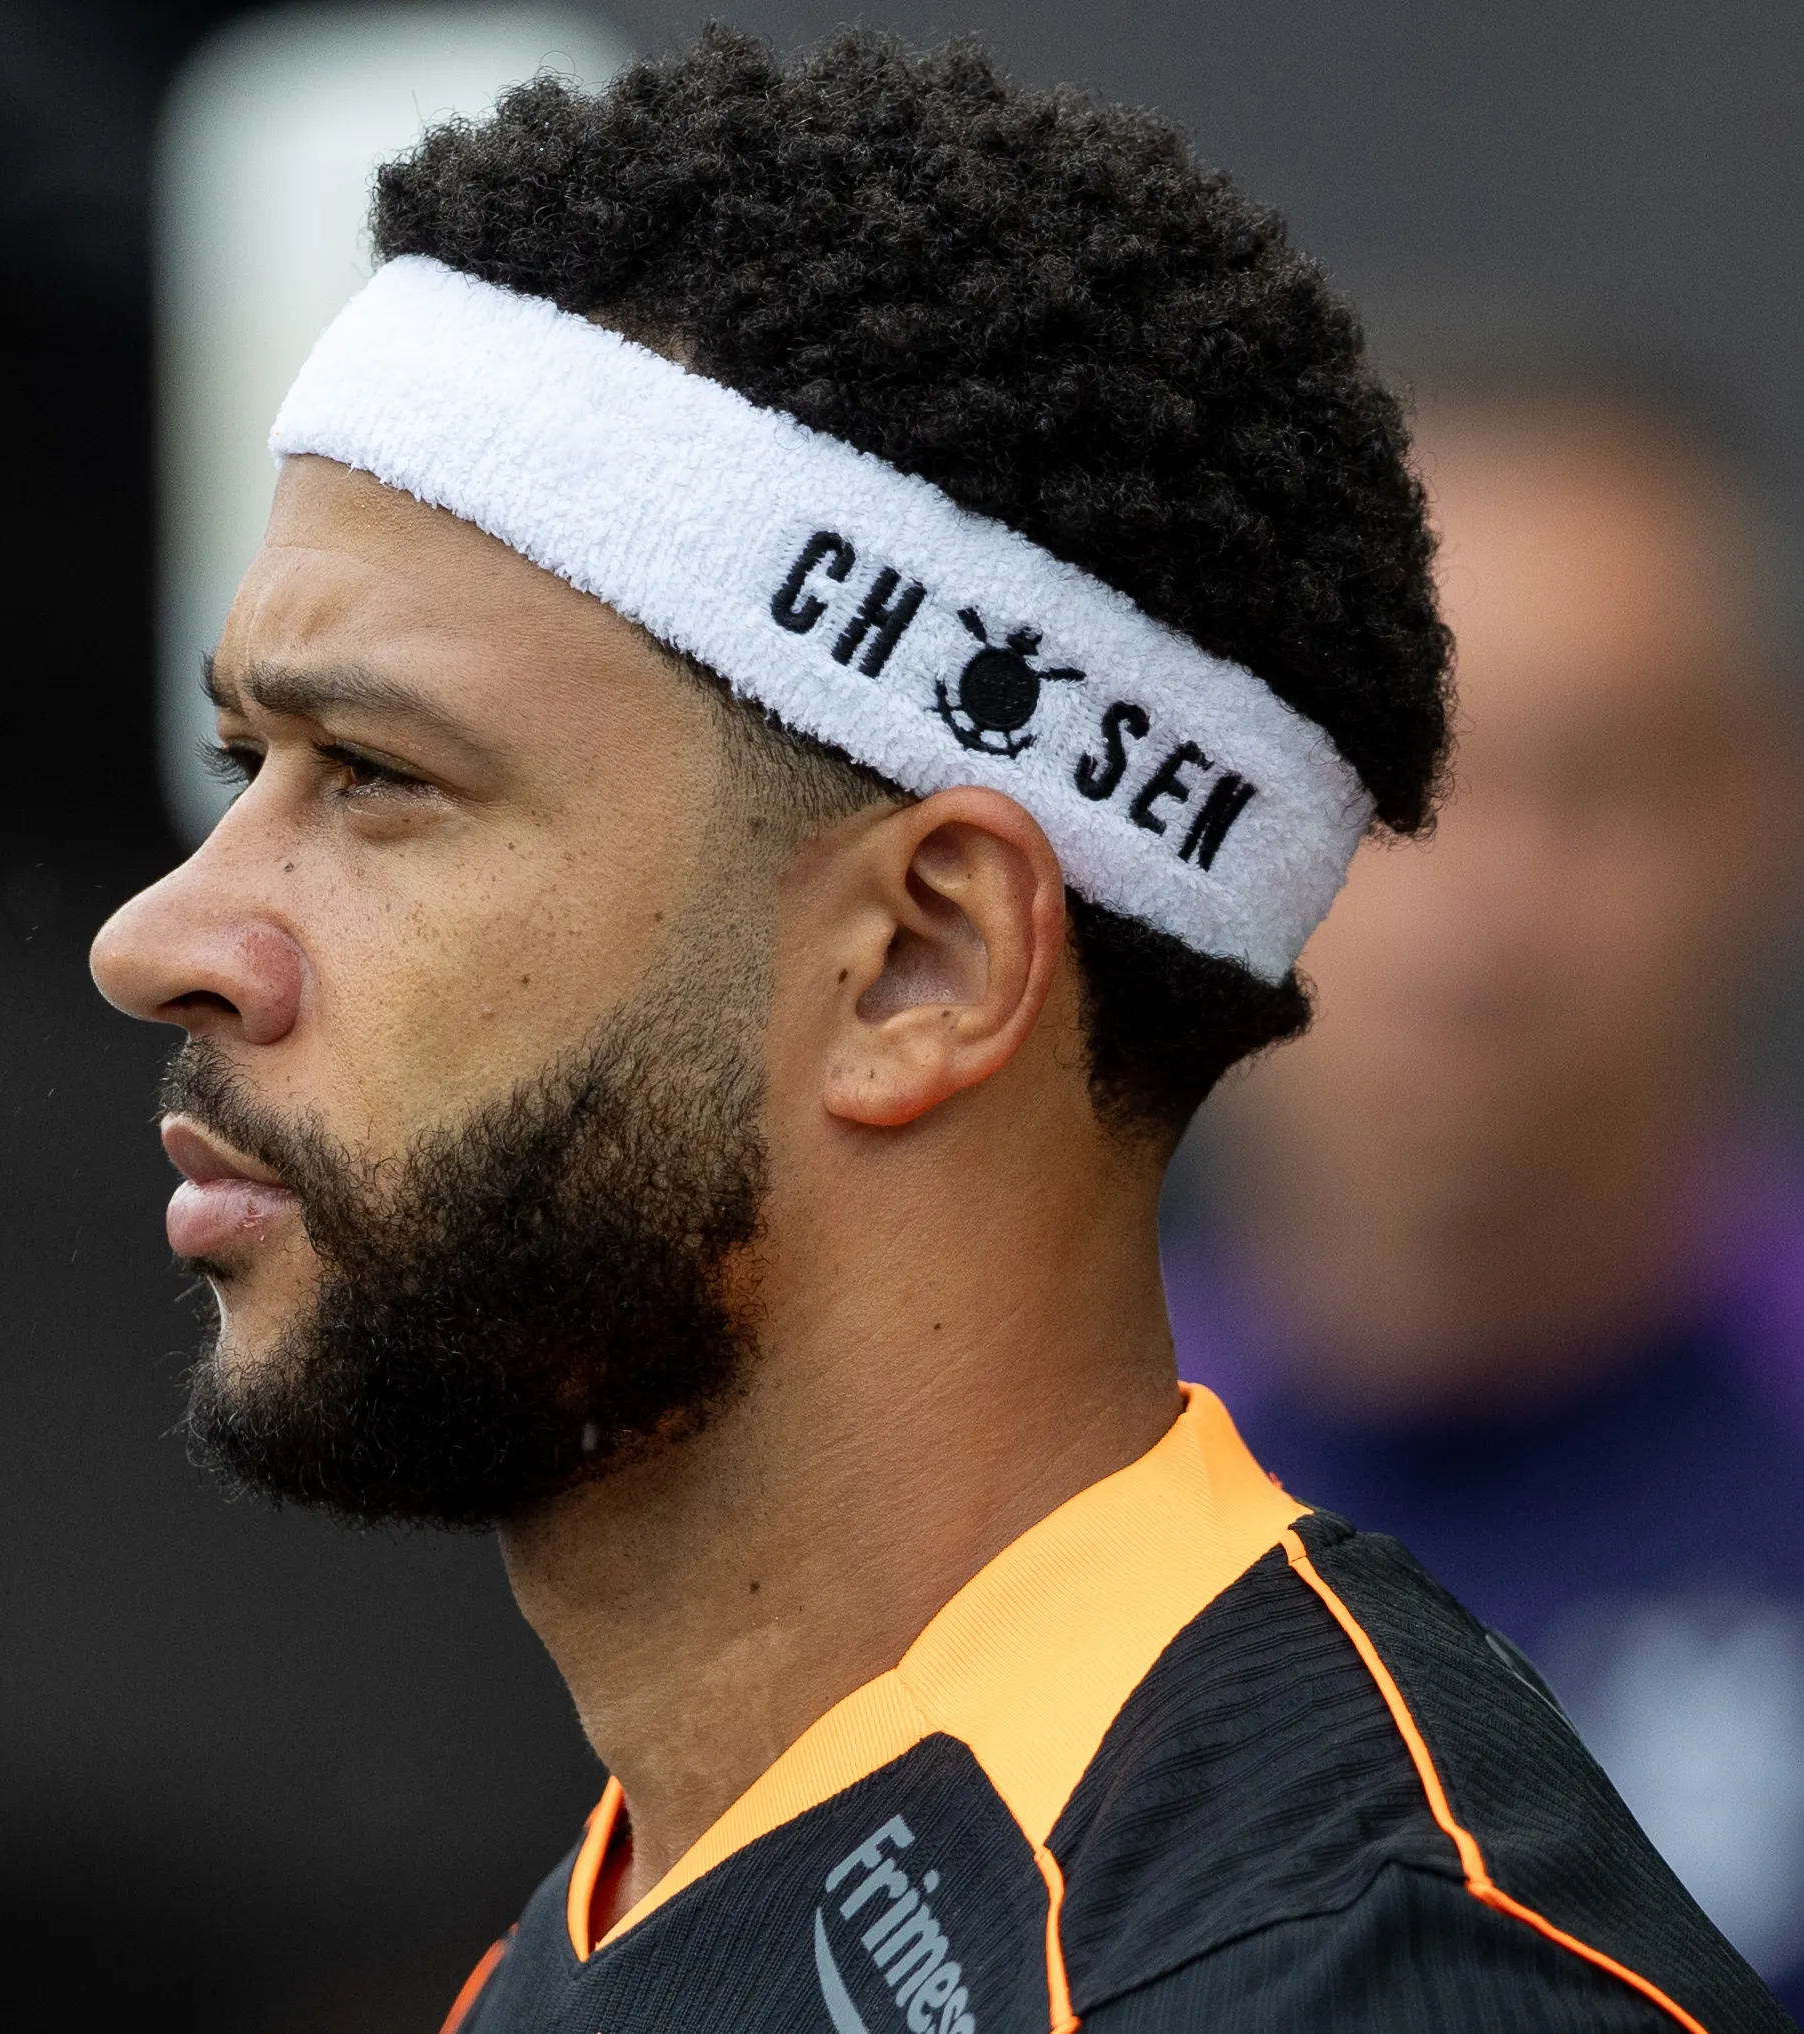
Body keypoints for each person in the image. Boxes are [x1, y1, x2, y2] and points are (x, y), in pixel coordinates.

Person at [89, 30, 1787, 2032]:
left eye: (375, 778)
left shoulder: (1348, 1983)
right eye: (242, 761)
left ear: (921, 964)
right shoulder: (656, 1900)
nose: (165, 937)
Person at [1170, 358, 1804, 2009]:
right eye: (1386, 801)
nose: (1482, 924)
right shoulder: (991, 1492)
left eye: (1588, 782)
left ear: (1755, 812)